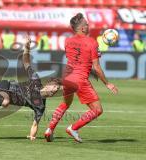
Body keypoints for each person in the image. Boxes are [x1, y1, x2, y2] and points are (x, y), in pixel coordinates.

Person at [44, 13, 118, 143]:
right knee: (97, 110)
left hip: (67, 76)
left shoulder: (67, 41)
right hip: (80, 79)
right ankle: (73, 128)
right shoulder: (92, 43)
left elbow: (76, 58)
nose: (89, 26)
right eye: (87, 24)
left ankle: (49, 129)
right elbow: (96, 67)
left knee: (65, 103)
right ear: (83, 28)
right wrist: (107, 83)